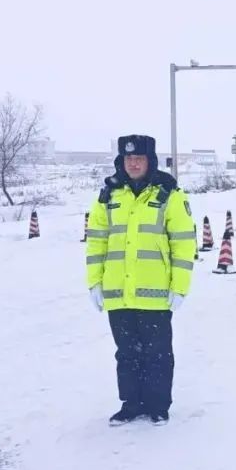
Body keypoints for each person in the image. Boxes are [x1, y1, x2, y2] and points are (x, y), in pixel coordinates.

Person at [85, 134, 197, 426]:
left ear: (150, 160)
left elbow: (184, 243)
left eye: (139, 158)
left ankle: (158, 405)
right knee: (126, 354)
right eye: (128, 158)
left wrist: (180, 287)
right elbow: (97, 242)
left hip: (156, 293)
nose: (133, 163)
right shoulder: (108, 196)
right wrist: (94, 283)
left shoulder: (168, 194)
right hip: (118, 292)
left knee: (157, 353)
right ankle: (131, 404)